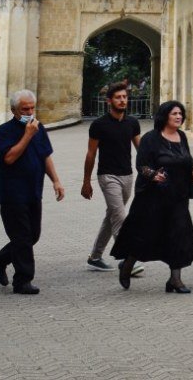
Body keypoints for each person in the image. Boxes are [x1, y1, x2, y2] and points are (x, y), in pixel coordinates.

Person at [112, 100, 193, 293]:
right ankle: (128, 264)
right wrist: (153, 174)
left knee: (179, 235)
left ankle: (175, 280)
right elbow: (141, 165)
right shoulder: (150, 138)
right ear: (164, 116)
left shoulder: (181, 136)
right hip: (153, 198)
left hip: (178, 197)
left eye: (180, 113)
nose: (179, 117)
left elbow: (187, 159)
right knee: (145, 235)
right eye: (174, 113)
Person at [0, 90, 65, 295]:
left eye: (32, 108)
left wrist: (56, 181)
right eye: (25, 109)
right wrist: (27, 135)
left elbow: (45, 156)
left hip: (34, 191)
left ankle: (0, 259)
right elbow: (9, 158)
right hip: (13, 194)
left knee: (33, 235)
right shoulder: (5, 131)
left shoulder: (38, 128)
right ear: (13, 110)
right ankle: (22, 280)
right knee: (22, 237)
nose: (30, 112)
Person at [81, 81, 144, 274]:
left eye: (124, 97)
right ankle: (127, 259)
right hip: (107, 176)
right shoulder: (99, 125)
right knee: (119, 217)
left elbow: (141, 150)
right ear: (109, 101)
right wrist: (86, 182)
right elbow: (91, 154)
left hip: (127, 176)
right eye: (118, 97)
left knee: (112, 216)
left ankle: (95, 257)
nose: (122, 100)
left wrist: (152, 171)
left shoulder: (132, 123)